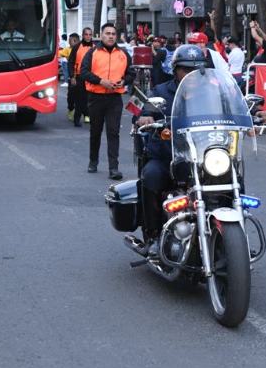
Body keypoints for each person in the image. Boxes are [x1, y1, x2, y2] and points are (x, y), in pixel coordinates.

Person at [133, 44, 206, 251]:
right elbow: (139, 109)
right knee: (151, 176)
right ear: (175, 70)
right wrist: (143, 117)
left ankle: (235, 235)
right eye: (185, 69)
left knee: (230, 176)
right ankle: (153, 236)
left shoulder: (210, 92)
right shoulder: (160, 91)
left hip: (202, 157)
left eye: (196, 69)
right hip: (168, 156)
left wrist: (255, 113)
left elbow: (228, 109)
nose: (191, 73)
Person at [80, 23, 133, 180]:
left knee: (113, 132)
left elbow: (131, 73)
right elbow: (83, 72)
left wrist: (124, 82)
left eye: (113, 34)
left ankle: (113, 169)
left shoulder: (123, 54)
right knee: (95, 131)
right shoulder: (92, 52)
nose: (110, 36)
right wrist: (100, 81)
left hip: (115, 98)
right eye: (107, 33)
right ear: (101, 35)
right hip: (96, 97)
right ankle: (93, 161)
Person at [68, 27, 94, 127]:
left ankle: (89, 116)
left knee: (91, 99)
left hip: (91, 77)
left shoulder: (95, 47)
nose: (88, 36)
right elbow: (71, 62)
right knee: (79, 99)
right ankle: (77, 119)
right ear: (83, 35)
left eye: (90, 34)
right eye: (86, 34)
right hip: (79, 76)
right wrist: (72, 77)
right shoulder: (77, 47)